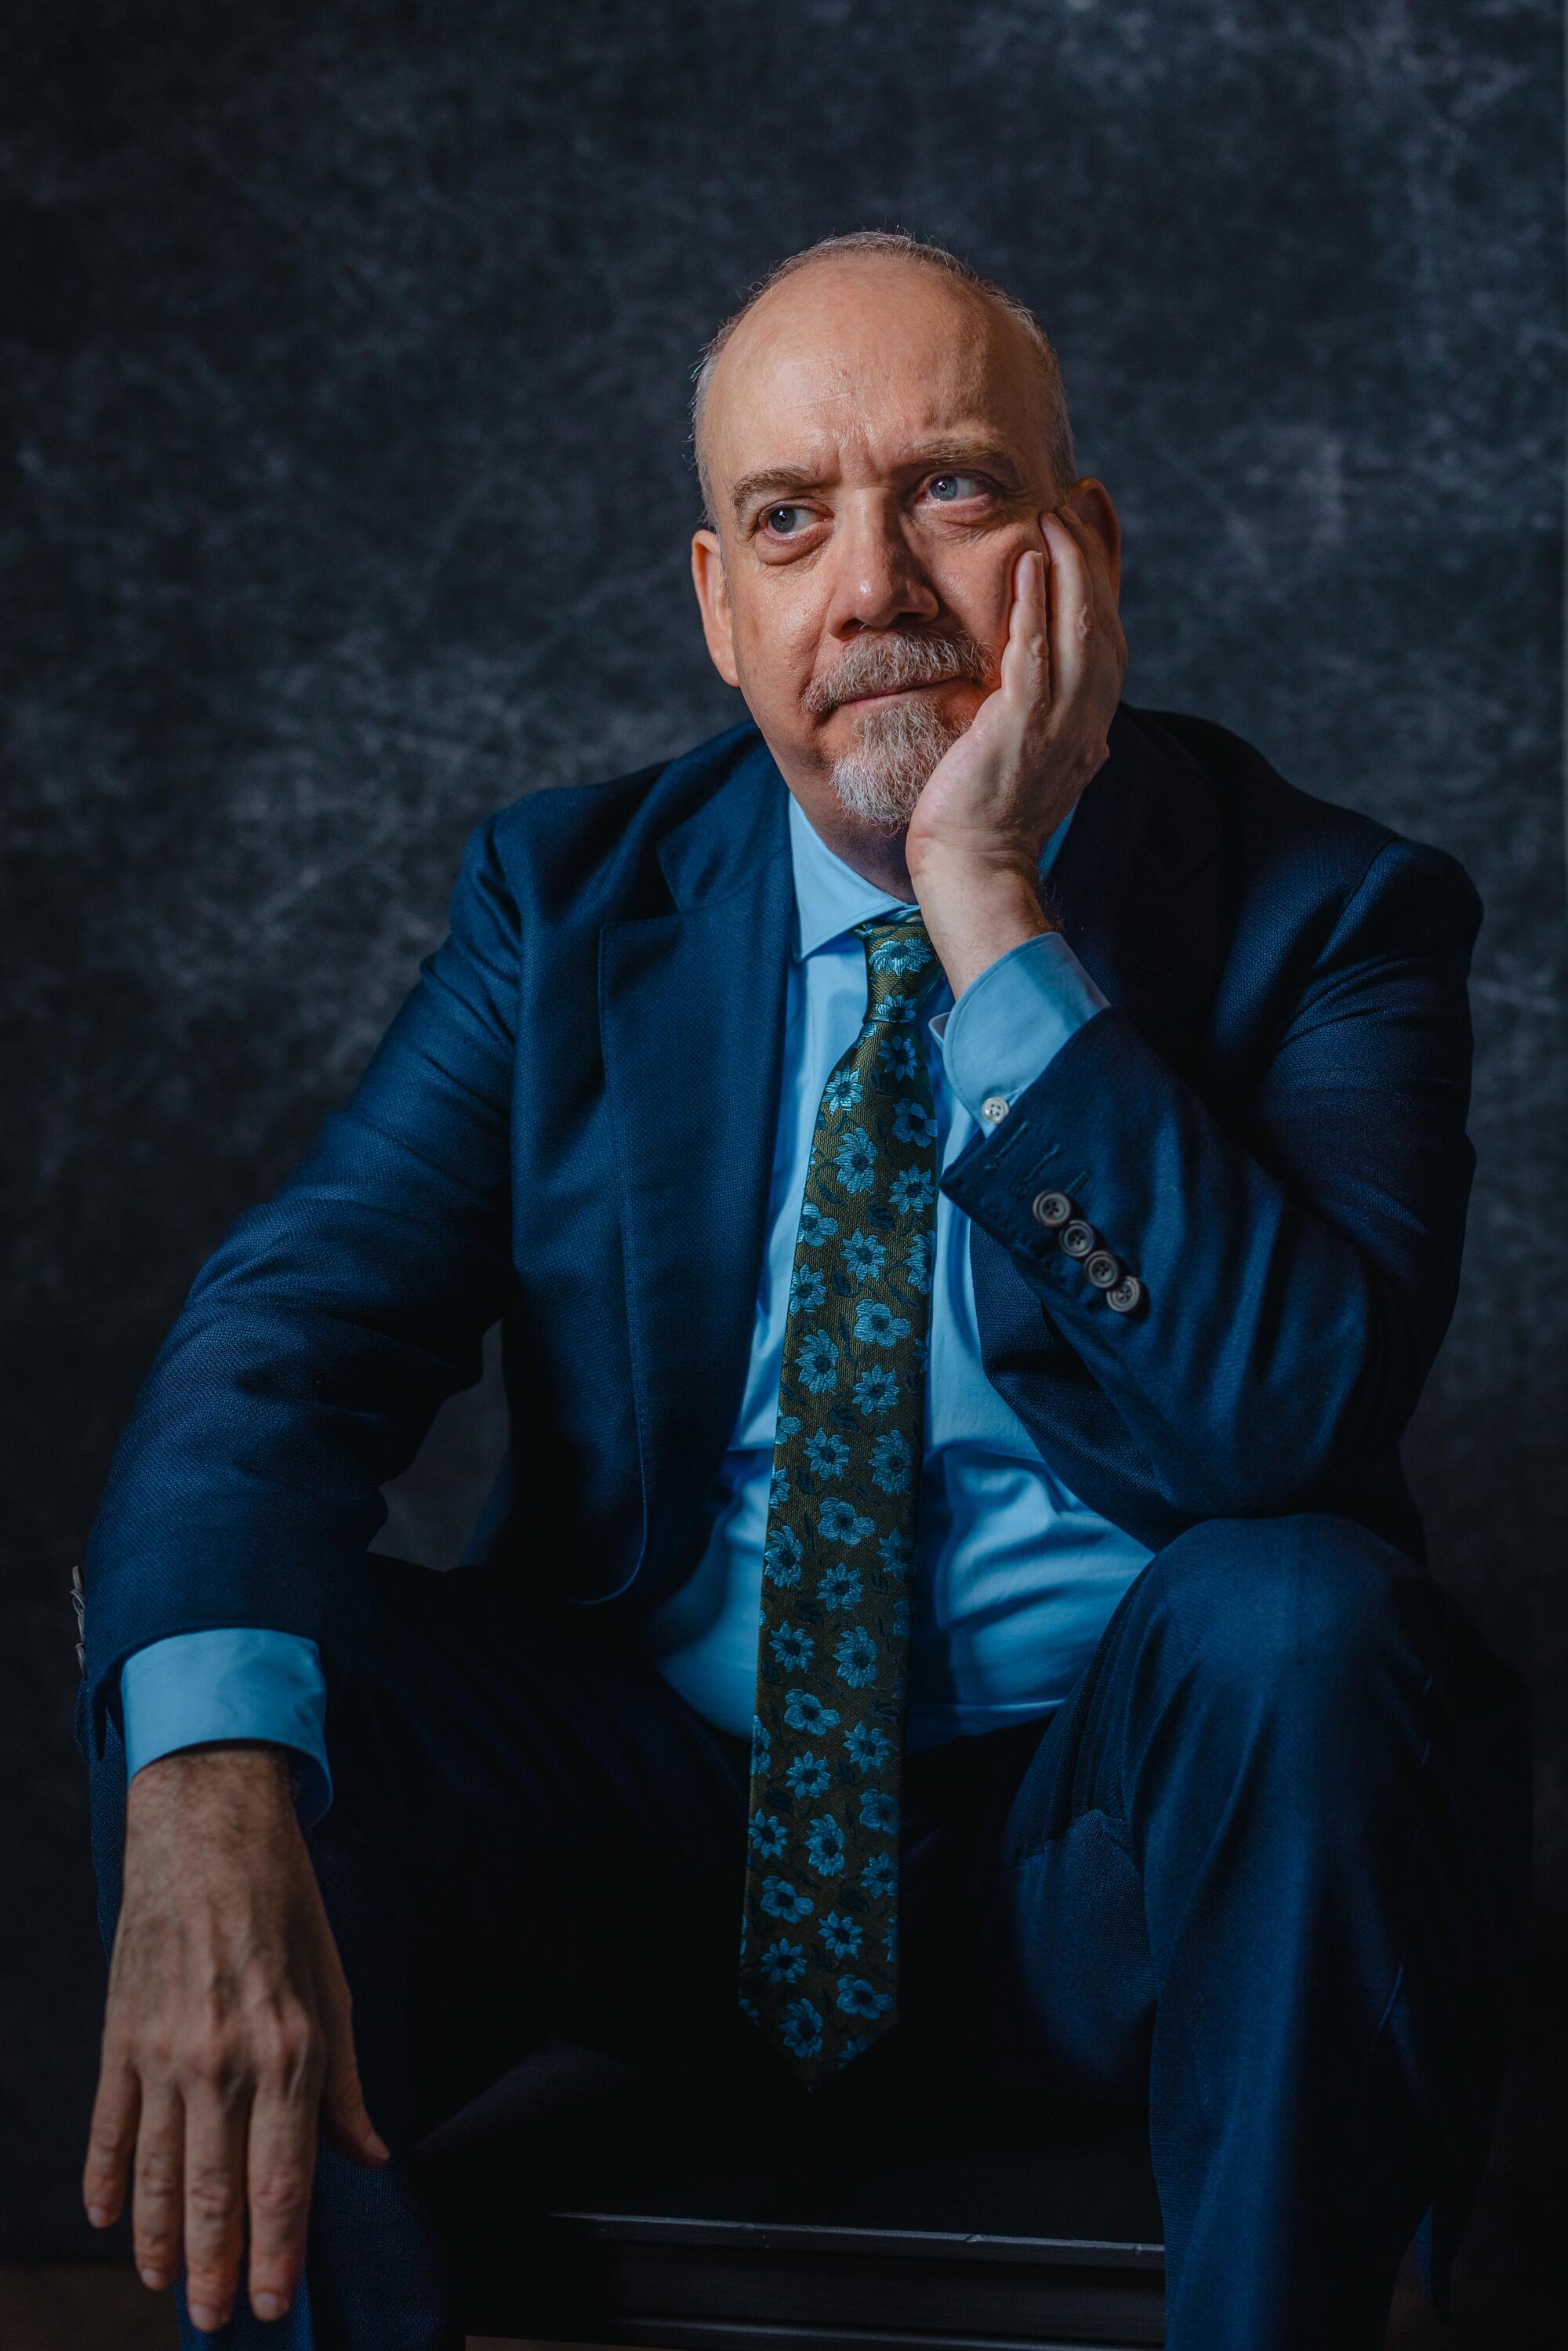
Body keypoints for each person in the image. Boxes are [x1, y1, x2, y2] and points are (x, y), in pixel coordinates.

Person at [74, 230, 1532, 2351]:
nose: (871, 589)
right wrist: (198, 1801)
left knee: (1308, 1620)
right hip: (653, 1845)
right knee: (238, 1680)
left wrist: (988, 906)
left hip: (1106, 1864)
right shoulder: (564, 907)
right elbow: (285, 1338)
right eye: (790, 521)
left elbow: (1282, 1422)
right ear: (717, 602)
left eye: (949, 490)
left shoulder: (1334, 915)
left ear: (1085, 546)